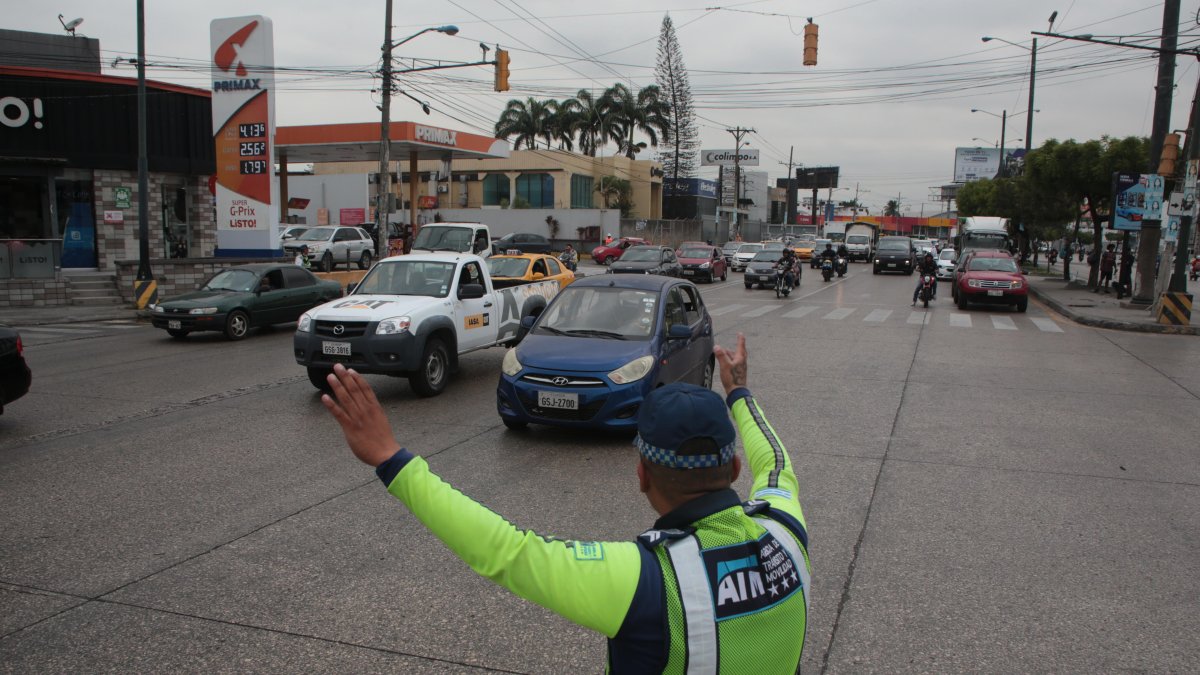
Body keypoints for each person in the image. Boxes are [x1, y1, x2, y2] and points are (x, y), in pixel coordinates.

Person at [320, 334, 810, 672]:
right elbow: (776, 457)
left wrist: (391, 459)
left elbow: (508, 552)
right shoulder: (786, 531)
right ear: (733, 471)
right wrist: (739, 391)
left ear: (640, 476)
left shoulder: (649, 582)